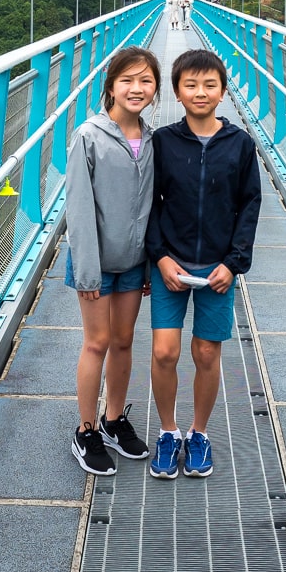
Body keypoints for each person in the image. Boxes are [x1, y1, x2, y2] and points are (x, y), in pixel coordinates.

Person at [145, 48, 261, 479]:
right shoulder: (163, 142)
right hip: (170, 264)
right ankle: (169, 431)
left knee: (207, 352)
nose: (200, 92)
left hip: (217, 268)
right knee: (164, 351)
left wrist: (233, 264)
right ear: (176, 91)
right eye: (190, 85)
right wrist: (159, 257)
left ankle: (199, 434)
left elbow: (250, 205)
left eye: (209, 85)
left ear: (223, 91)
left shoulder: (241, 144)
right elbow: (149, 205)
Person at [65, 45, 162, 476]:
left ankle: (113, 419)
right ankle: (85, 430)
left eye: (145, 81)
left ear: (156, 89)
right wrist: (86, 270)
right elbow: (79, 209)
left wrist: (147, 263)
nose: (136, 89)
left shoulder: (154, 138)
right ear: (110, 87)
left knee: (124, 341)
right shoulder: (88, 135)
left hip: (134, 259)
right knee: (97, 342)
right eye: (127, 80)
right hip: (95, 262)